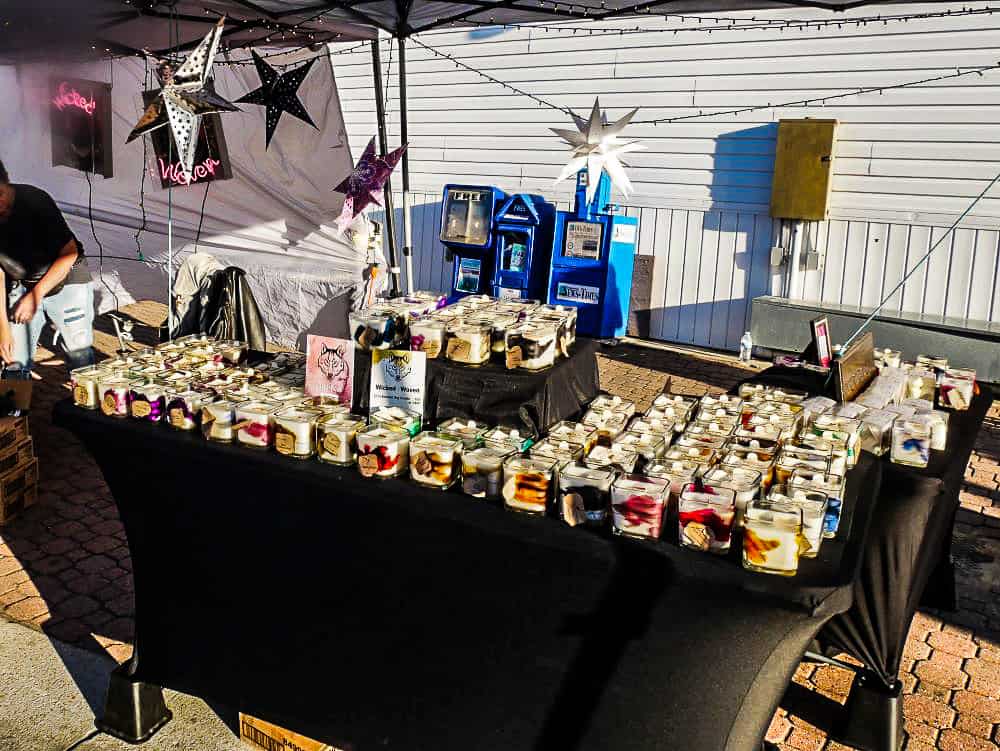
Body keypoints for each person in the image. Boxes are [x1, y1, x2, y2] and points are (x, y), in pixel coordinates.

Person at [0, 158, 95, 375]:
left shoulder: (35, 200)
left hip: (68, 279)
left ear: (7, 181)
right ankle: (14, 409)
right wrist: (3, 329)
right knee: (13, 361)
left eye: (0, 194)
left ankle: (87, 407)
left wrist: (36, 295)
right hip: (23, 284)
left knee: (80, 356)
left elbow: (69, 253)